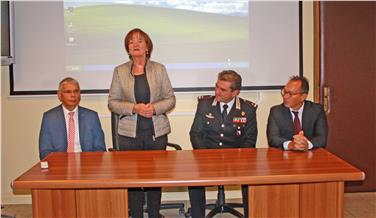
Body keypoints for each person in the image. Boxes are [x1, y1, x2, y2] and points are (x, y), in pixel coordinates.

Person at [108, 28, 176, 218]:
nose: (136, 44)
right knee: (132, 180)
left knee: (155, 180)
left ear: (148, 47)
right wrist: (134, 108)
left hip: (156, 133)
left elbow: (170, 99)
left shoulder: (159, 69)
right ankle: (136, 215)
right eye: (131, 42)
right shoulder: (120, 71)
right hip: (129, 135)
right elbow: (112, 102)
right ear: (128, 49)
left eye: (140, 41)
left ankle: (154, 214)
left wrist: (154, 108)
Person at [189, 70, 257, 218]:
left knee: (251, 178)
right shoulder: (204, 104)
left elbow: (250, 140)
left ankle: (250, 214)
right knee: (193, 179)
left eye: (223, 90)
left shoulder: (248, 110)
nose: (217, 92)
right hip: (207, 156)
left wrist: (236, 159)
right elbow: (195, 134)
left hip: (237, 159)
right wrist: (205, 155)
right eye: (217, 87)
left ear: (235, 92)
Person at [39, 77, 106, 160]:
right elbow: (44, 152)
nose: (73, 95)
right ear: (59, 95)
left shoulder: (92, 117)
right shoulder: (49, 118)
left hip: (86, 164)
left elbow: (100, 149)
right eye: (68, 92)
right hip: (60, 166)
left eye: (76, 91)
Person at [267, 75, 328, 150]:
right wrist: (290, 145)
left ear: (303, 96)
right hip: (285, 157)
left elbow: (322, 138)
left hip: (310, 156)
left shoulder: (316, 110)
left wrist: (307, 144)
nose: (285, 96)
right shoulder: (276, 112)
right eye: (285, 92)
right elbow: (273, 139)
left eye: (290, 94)